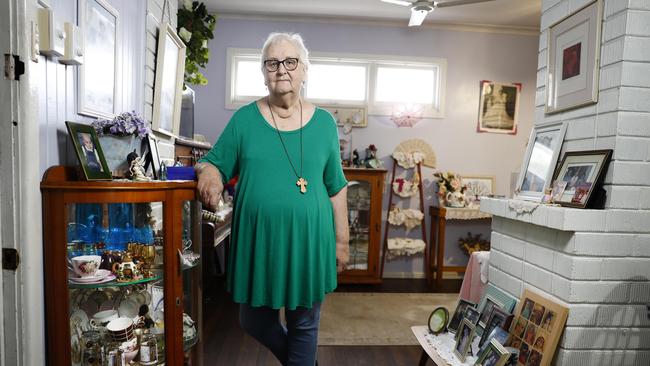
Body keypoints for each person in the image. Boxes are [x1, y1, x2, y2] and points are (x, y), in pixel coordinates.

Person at [196, 32, 349, 366]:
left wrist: (342, 241)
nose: (282, 69)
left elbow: (336, 186)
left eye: (290, 62)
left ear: (304, 70)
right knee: (253, 320)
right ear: (264, 72)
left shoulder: (324, 123)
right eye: (272, 63)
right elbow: (215, 162)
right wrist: (209, 174)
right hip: (260, 242)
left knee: (304, 324)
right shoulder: (245, 119)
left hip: (310, 240)